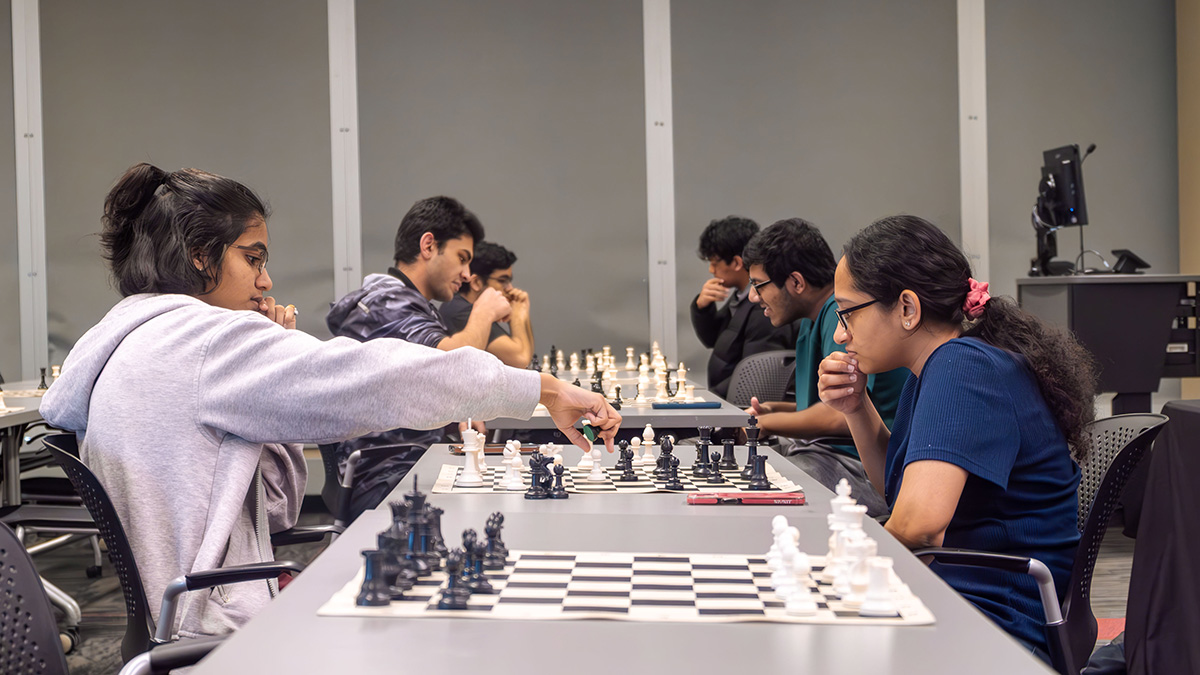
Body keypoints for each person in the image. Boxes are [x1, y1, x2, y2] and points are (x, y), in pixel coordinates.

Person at [39, 164, 619, 638]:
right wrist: (544, 390)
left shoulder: (131, 341)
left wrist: (275, 383)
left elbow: (274, 506)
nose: (266, 282)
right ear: (199, 254)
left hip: (173, 622)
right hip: (223, 633)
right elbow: (384, 379)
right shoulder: (207, 342)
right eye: (254, 257)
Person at [817, 214, 1095, 660]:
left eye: (847, 313)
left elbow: (920, 525)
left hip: (995, 618)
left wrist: (826, 557)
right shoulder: (941, 366)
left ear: (907, 308)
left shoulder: (964, 368)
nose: (839, 333)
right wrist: (856, 408)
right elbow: (902, 495)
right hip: (964, 594)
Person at [325, 197, 515, 518]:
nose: (467, 274)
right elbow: (455, 364)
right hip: (387, 477)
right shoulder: (389, 303)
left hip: (404, 465)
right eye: (462, 258)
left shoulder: (410, 305)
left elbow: (421, 380)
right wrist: (483, 311)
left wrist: (455, 411)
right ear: (428, 245)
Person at [741, 218, 908, 516]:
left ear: (796, 282)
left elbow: (844, 414)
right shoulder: (812, 320)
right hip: (831, 456)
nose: (753, 296)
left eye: (758, 285)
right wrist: (776, 411)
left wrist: (764, 424)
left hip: (863, 468)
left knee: (755, 494)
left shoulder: (835, 313)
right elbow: (832, 403)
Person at [689, 216, 797, 398]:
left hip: (742, 407)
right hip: (730, 401)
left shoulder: (764, 308)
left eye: (715, 263)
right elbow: (716, 340)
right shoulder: (740, 296)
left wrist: (708, 398)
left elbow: (754, 377)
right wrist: (702, 308)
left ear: (737, 263)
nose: (711, 270)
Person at [440, 240, 535, 368]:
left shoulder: (473, 308)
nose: (510, 289)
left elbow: (527, 355)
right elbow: (520, 359)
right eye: (503, 281)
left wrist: (524, 314)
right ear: (477, 282)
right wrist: (517, 317)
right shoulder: (459, 312)